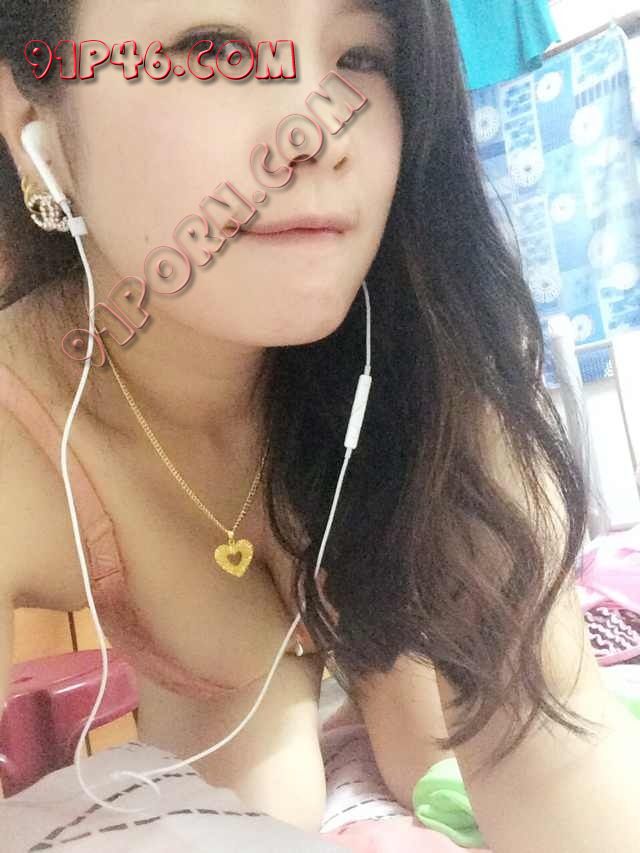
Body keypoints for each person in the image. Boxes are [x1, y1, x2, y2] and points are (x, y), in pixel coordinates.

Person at [1, 2, 639, 850]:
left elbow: (558, 760)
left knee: (429, 758)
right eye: (214, 51)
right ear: (37, 127)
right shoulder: (23, 435)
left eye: (363, 57)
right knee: (250, 799)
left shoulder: (431, 362)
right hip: (218, 709)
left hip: (384, 593)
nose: (318, 131)